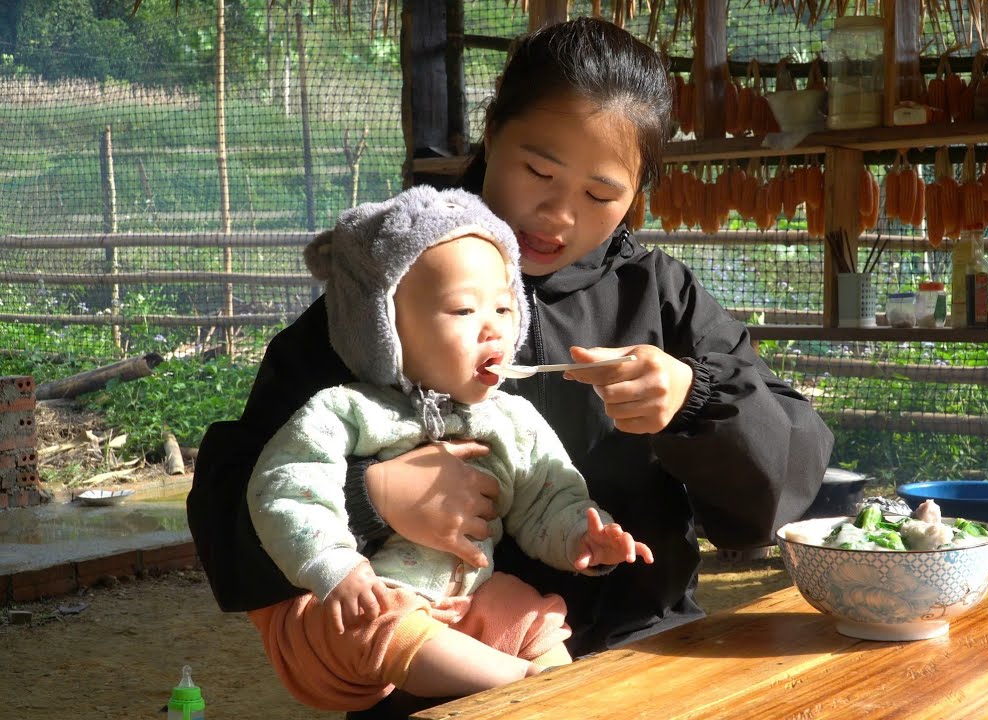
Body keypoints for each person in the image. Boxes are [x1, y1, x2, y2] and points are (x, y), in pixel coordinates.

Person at [188, 15, 834, 718]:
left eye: (600, 195)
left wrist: (694, 398)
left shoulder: (658, 297)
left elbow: (783, 486)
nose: (557, 214)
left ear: (637, 192)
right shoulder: (391, 291)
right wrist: (369, 497)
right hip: (435, 682)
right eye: (538, 171)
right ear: (492, 132)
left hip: (640, 659)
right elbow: (229, 503)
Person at [243, 185, 654, 711]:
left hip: (466, 601)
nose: (493, 329)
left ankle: (562, 695)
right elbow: (286, 484)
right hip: (359, 600)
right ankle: (521, 682)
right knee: (380, 620)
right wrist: (335, 565)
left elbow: (547, 498)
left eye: (504, 307)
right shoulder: (347, 409)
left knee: (531, 614)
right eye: (463, 309)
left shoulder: (511, 419)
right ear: (384, 326)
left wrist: (583, 536)